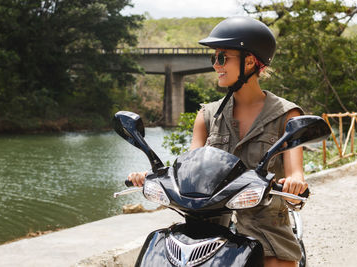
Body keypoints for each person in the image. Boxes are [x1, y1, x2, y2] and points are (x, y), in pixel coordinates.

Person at [128, 16, 308, 267]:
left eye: (222, 57)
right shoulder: (207, 116)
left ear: (250, 61)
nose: (215, 65)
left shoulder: (287, 115)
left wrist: (295, 185)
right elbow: (189, 171)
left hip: (265, 228)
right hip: (208, 227)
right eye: (214, 57)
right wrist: (151, 178)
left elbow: (295, 177)